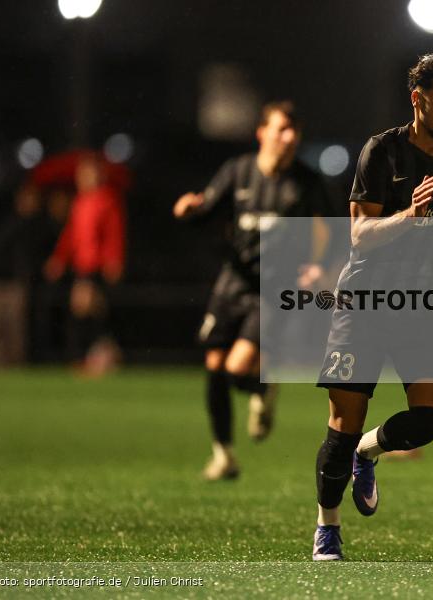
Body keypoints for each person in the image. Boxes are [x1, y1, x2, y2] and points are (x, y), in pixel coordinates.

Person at [311, 51, 433, 561]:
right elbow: (359, 235)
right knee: (342, 425)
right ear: (418, 99)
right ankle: (328, 527)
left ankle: (368, 452)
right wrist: (409, 215)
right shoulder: (382, 152)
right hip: (363, 305)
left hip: (420, 308)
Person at [174, 100, 333, 481]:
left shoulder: (306, 181)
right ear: (262, 133)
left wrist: (322, 267)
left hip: (274, 291)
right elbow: (206, 211)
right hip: (232, 283)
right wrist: (187, 211)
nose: (289, 138)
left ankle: (263, 385)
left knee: (235, 367)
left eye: (294, 131)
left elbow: (337, 227)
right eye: (281, 129)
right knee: (214, 367)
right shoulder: (238, 171)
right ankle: (224, 455)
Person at [43, 154, 126, 374]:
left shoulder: (107, 200)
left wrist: (114, 259)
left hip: (96, 265)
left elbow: (114, 233)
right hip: (81, 264)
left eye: (88, 174)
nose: (83, 178)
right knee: (91, 310)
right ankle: (103, 352)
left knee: (85, 308)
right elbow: (70, 235)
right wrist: (59, 259)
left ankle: (88, 356)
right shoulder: (80, 202)